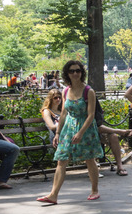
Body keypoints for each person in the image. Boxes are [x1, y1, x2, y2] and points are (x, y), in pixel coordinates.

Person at [36, 61, 103, 204]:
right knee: (62, 159)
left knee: (89, 159)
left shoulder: (89, 91)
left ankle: (94, 190)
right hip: (68, 127)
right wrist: (58, 133)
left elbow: (91, 115)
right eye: (72, 71)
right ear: (67, 73)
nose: (75, 73)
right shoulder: (66, 91)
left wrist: (80, 133)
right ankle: (53, 195)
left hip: (86, 128)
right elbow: (64, 113)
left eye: (78, 70)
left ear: (81, 72)